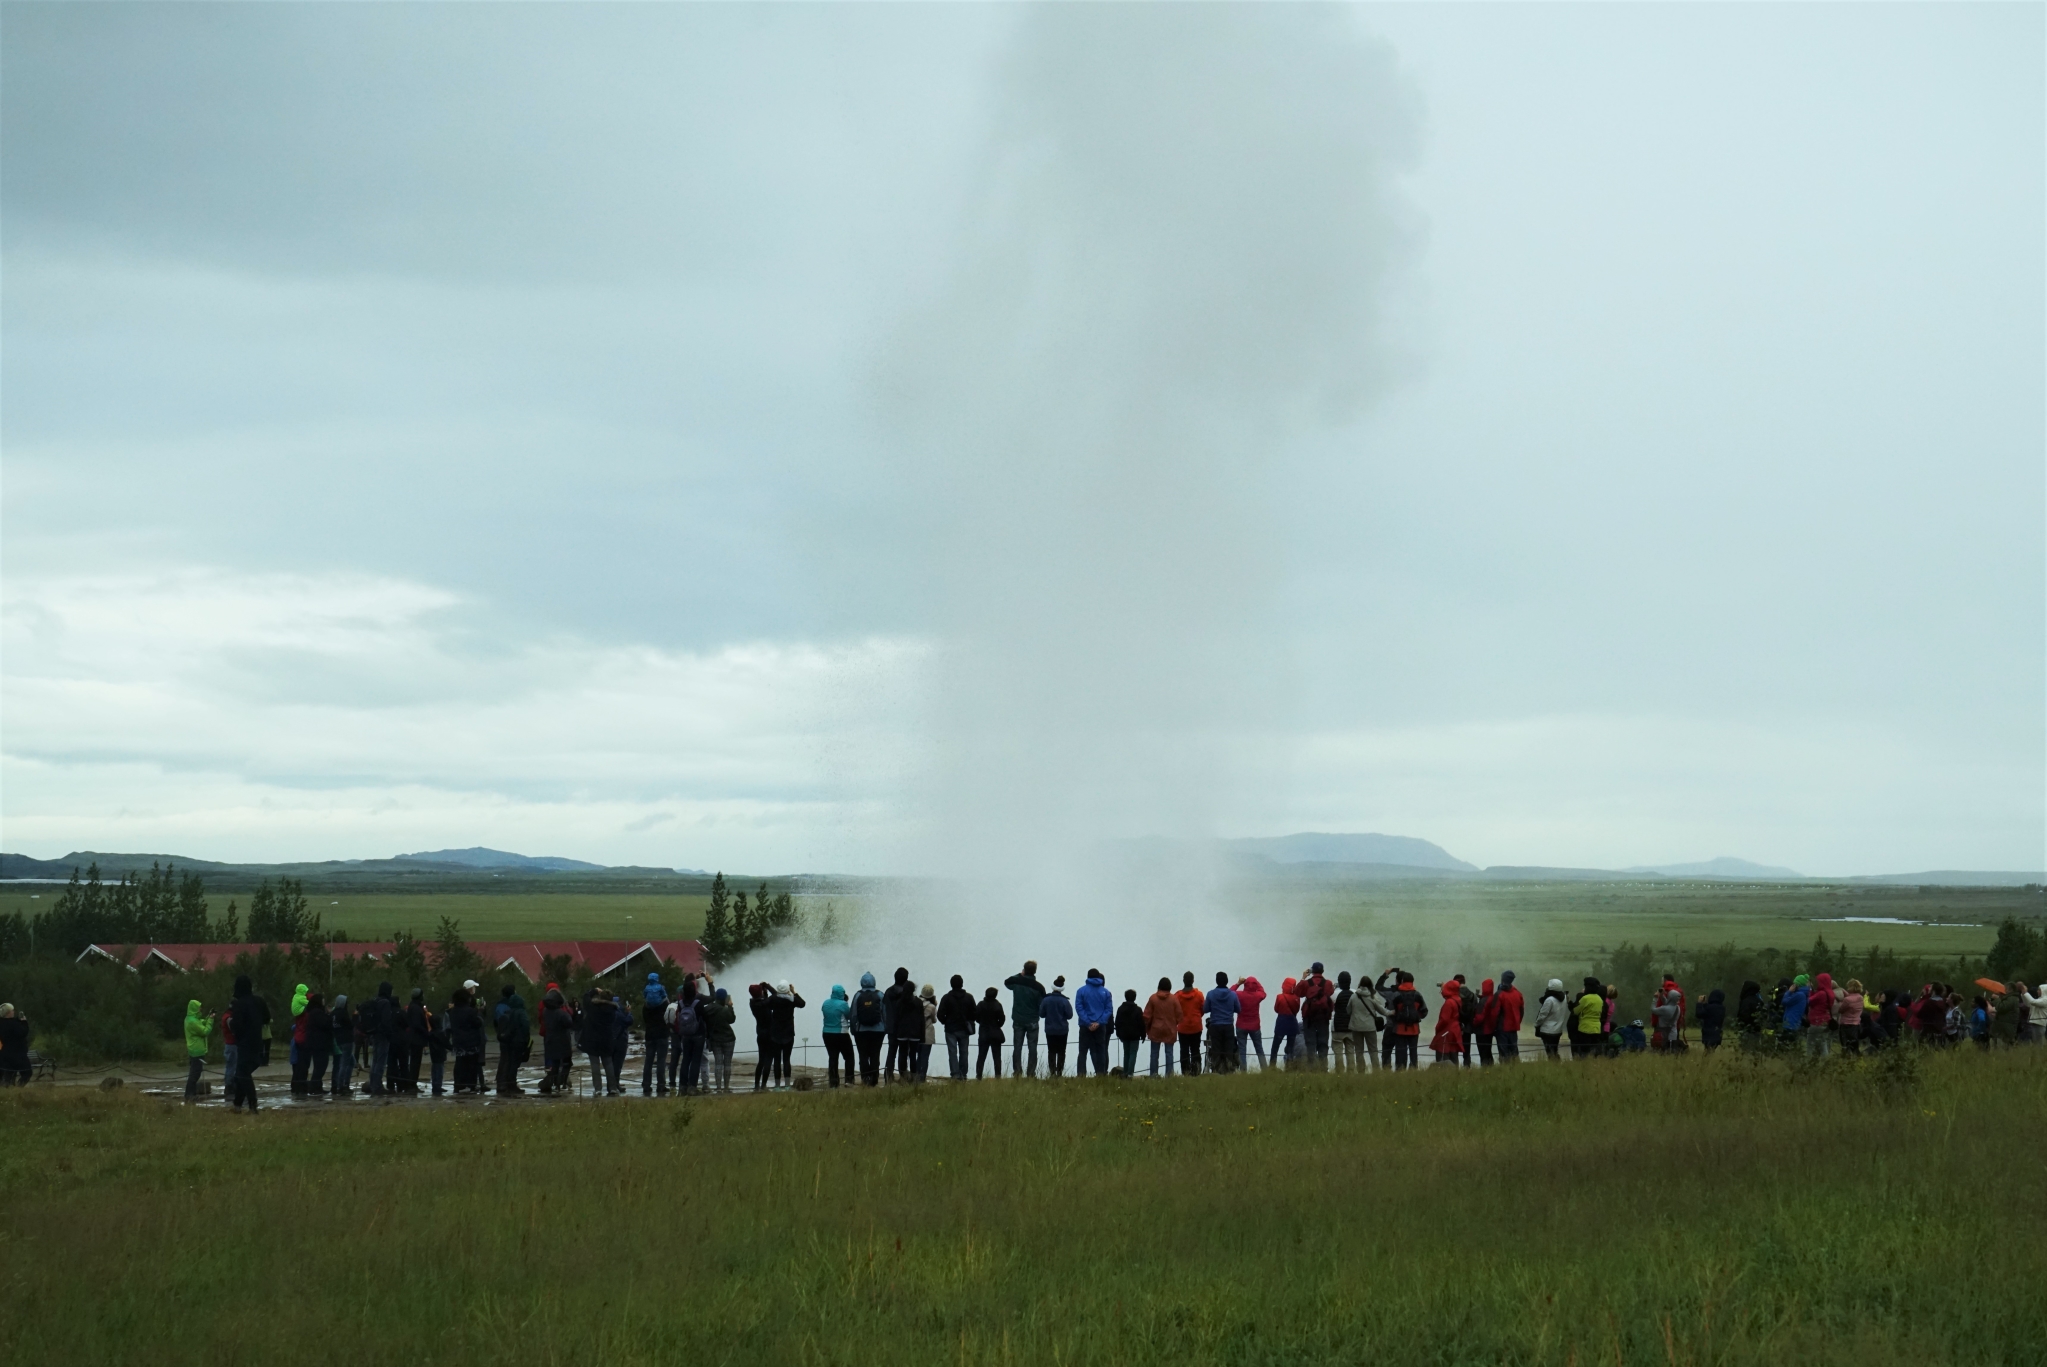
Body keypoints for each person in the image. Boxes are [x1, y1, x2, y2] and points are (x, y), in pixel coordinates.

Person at [227, 975, 270, 1111]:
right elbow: (267, 1019)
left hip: (244, 1043)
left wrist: (230, 1023)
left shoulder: (239, 1004)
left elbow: (237, 1025)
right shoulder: (259, 1001)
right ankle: (237, 1105)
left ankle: (252, 1103)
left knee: (242, 1074)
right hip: (258, 1042)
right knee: (242, 1073)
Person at [1005, 961, 1046, 1079]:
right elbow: (1042, 1004)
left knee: (1017, 1047)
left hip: (1018, 1019)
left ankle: (1017, 1072)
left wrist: (1019, 975)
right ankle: (1031, 1073)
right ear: (1035, 971)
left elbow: (1007, 982)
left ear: (1024, 970)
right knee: (1032, 1048)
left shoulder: (1017, 982)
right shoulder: (1039, 987)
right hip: (1032, 1020)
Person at [669, 975, 707, 1093]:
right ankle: (692, 1087)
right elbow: (704, 1017)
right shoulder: (698, 1003)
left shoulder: (680, 1004)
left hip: (685, 1035)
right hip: (698, 1034)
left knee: (685, 1060)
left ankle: (682, 1086)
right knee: (695, 1060)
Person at [850, 972, 887, 1085]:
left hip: (861, 1031)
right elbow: (885, 1013)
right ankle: (874, 1080)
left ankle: (865, 1079)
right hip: (878, 1031)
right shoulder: (880, 995)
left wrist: (853, 1029)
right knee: (875, 1055)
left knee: (863, 1055)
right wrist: (885, 1028)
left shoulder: (857, 995)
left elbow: (853, 1014)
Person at [493, 983, 530, 1096]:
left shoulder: (504, 1008)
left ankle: (504, 1083)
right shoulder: (516, 1010)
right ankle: (506, 1084)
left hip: (507, 1038)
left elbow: (497, 1022)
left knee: (507, 1062)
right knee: (509, 1062)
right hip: (514, 1040)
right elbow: (524, 1026)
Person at [937, 975, 977, 1080]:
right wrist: (968, 1021)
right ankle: (963, 1074)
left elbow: (940, 1014)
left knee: (952, 1053)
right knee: (964, 1052)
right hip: (964, 1029)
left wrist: (946, 1022)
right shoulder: (969, 997)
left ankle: (955, 1074)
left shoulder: (946, 998)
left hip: (950, 1029)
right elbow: (974, 1013)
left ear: (951, 984)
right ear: (962, 984)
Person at [884, 968, 919, 1084]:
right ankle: (903, 1075)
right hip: (903, 1027)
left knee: (891, 1052)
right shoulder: (906, 994)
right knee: (903, 1053)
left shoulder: (888, 992)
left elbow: (883, 1009)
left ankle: (888, 1076)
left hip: (890, 1026)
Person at [581, 988, 619, 1097]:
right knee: (608, 1063)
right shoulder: (613, 1010)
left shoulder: (593, 1008)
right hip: (607, 1039)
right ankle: (612, 1088)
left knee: (595, 1064)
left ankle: (598, 1089)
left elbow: (585, 998)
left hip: (593, 1039)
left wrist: (593, 991)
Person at [765, 981, 803, 1088]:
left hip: (775, 1034)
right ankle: (787, 1085)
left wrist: (767, 987)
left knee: (777, 1060)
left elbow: (771, 998)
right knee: (786, 1059)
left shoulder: (774, 999)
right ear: (787, 990)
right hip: (788, 1034)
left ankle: (777, 1086)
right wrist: (793, 992)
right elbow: (802, 1003)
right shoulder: (791, 1000)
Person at [1075, 970, 1113, 1078]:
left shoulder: (1081, 991)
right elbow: (1108, 1010)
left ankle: (1081, 1074)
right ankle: (1101, 1074)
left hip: (1084, 1025)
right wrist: (1099, 1022)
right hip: (1101, 1026)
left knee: (1083, 1051)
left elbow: (1079, 1008)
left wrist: (1088, 1022)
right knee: (1101, 1050)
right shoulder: (1106, 992)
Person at [1386, 972, 1426, 1071]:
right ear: (1412, 982)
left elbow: (1390, 1011)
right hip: (1414, 1029)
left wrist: (1395, 1020)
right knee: (1413, 1052)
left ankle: (1400, 1070)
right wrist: (1416, 1017)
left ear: (1402, 981)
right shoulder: (1417, 995)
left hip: (1399, 1029)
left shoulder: (1396, 994)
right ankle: (1413, 1070)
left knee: (1400, 1052)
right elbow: (1424, 1011)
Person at [1297, 963, 1333, 1070]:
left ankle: (1312, 1068)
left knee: (1310, 1044)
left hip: (1309, 1017)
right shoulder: (1328, 983)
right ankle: (1323, 1068)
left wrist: (1303, 978)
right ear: (1322, 971)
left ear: (1312, 971)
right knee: (1323, 1043)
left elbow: (1298, 992)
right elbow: (1330, 993)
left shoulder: (1307, 983)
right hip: (1323, 1017)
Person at [640, 972, 671, 1097]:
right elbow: (669, 1018)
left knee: (648, 1060)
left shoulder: (645, 1006)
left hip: (650, 1035)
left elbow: (645, 1021)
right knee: (661, 1061)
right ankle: (661, 1085)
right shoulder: (664, 1005)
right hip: (662, 1034)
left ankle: (646, 1085)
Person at [448, 988, 485, 1094]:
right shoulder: (470, 1011)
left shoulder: (453, 1011)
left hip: (458, 1041)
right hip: (471, 1042)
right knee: (471, 1065)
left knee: (459, 1063)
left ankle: (458, 1084)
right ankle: (471, 1085)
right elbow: (477, 1023)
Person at [539, 988, 575, 1095]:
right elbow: (569, 1022)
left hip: (550, 1040)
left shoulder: (546, 1011)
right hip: (563, 1041)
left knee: (554, 1064)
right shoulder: (560, 1013)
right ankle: (561, 1082)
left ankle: (553, 1083)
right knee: (567, 1063)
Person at [703, 986, 738, 1092]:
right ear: (724, 998)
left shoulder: (708, 1008)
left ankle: (718, 1088)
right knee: (727, 1063)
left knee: (718, 1063)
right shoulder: (725, 1010)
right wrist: (730, 1006)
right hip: (729, 1039)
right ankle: (726, 1087)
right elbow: (732, 1020)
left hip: (715, 1040)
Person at [1203, 972, 1238, 1075]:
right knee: (1228, 1049)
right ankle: (1228, 1071)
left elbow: (1205, 1009)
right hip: (1228, 1026)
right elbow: (1238, 1009)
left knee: (1216, 1049)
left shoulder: (1210, 994)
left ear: (1216, 981)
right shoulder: (1232, 994)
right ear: (1227, 981)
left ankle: (1216, 1071)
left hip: (1215, 1025)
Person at [820, 983, 855, 1087]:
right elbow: (849, 1016)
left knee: (833, 1057)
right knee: (849, 1057)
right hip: (841, 1033)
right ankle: (849, 1081)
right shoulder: (843, 1004)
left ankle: (833, 1082)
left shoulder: (825, 1003)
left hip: (826, 1033)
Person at [1143, 978, 1178, 1078]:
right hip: (1170, 1029)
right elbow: (1179, 1015)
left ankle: (1153, 1075)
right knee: (1169, 1053)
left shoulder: (1153, 998)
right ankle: (1169, 1075)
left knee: (1154, 1053)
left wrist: (1147, 1026)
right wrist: (1174, 1023)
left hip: (1155, 1029)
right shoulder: (1174, 999)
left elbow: (1146, 1015)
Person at [1039, 976, 1073, 1077]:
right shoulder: (1065, 1001)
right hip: (1062, 1030)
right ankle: (1060, 1072)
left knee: (1051, 1051)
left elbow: (1041, 1014)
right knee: (1062, 1051)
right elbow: (1070, 1015)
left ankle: (1052, 1072)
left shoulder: (1046, 1000)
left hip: (1050, 1030)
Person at [1233, 975, 1268, 1071]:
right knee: (1259, 1049)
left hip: (1241, 1025)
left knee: (1242, 1050)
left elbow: (1229, 992)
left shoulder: (1239, 995)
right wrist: (1256, 983)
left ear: (1245, 985)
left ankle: (1243, 1071)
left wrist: (1238, 983)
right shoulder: (1258, 996)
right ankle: (1264, 1069)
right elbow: (1263, 992)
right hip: (1255, 1026)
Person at [1174, 972, 1206, 1076]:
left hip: (1183, 1027)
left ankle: (1185, 1072)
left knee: (1184, 1050)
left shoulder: (1177, 996)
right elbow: (1203, 1009)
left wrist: (1179, 1020)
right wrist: (1197, 1017)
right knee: (1195, 1050)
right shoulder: (1199, 994)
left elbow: (1174, 1011)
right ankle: (1196, 1072)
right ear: (1193, 980)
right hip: (1196, 1026)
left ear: (1183, 980)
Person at [303, 991, 334, 1097]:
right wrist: (329, 1014)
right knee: (320, 1066)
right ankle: (313, 1087)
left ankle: (317, 1087)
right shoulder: (317, 1013)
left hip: (317, 1043)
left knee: (319, 1066)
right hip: (319, 1043)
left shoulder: (314, 1012)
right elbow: (326, 1024)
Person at [183, 998, 214, 1099]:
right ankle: (189, 1094)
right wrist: (211, 1020)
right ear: (195, 1009)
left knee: (196, 1072)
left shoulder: (192, 1019)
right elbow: (205, 1031)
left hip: (195, 1050)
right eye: (199, 1008)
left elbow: (201, 1023)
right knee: (195, 1074)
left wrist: (208, 1017)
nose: (200, 1009)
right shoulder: (192, 1021)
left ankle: (191, 1093)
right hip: (196, 1051)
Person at [974, 986, 1006, 1079]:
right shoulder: (998, 1005)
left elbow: (976, 1017)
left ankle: (979, 1076)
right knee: (997, 1057)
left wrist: (982, 1023)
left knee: (981, 1056)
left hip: (984, 1033)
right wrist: (997, 1025)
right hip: (995, 1033)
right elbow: (1002, 1019)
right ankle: (998, 1076)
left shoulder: (980, 1004)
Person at [1569, 977, 1604, 1062]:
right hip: (1596, 1028)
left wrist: (1569, 1003)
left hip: (1585, 1028)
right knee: (1594, 1052)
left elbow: (1576, 1011)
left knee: (1584, 1052)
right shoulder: (1599, 999)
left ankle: (1584, 1066)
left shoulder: (1585, 998)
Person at [1492, 971, 1524, 1063]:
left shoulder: (1499, 994)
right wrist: (1517, 1022)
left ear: (1502, 979)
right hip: (1514, 1028)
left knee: (1503, 1053)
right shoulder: (1518, 994)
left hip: (1502, 1028)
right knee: (1514, 1052)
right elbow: (1521, 1011)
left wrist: (1494, 1027)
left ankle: (1505, 1072)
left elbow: (1494, 1013)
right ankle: (1515, 1070)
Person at [1270, 977, 1301, 1069]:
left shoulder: (1280, 997)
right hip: (1292, 1023)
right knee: (1290, 1047)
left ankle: (1272, 1066)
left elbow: (1276, 1009)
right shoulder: (1297, 997)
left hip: (1281, 1023)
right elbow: (1296, 1010)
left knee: (1275, 1046)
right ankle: (1289, 1067)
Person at [1430, 981, 1464, 1066]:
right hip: (1455, 1030)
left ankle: (1443, 1074)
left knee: (1443, 1055)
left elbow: (1444, 1020)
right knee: (1453, 1054)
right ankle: (1455, 1073)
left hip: (1446, 1032)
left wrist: (1437, 1028)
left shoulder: (1449, 1003)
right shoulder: (1458, 999)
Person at [1533, 979, 1568, 1059]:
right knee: (1554, 1051)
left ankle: (1554, 1066)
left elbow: (1542, 1015)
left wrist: (1537, 1024)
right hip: (1558, 1030)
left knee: (1550, 1053)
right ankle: (1556, 1066)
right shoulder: (1564, 998)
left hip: (1547, 1030)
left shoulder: (1549, 1000)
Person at [1114, 989, 1146, 1076]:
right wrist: (1143, 1034)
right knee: (1133, 1053)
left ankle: (1125, 1072)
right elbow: (1141, 1024)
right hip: (1135, 1035)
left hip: (1124, 1035)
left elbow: (1117, 1022)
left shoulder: (1120, 1009)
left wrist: (1118, 1033)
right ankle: (1130, 1073)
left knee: (1126, 1053)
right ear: (1135, 998)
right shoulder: (1138, 1010)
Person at [289, 982, 313, 1096]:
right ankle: (301, 1087)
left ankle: (296, 1086)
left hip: (297, 1039)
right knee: (303, 1065)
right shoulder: (306, 1015)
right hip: (304, 1040)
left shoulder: (295, 1000)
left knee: (298, 1065)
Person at [330, 993, 355, 1097]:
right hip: (347, 1041)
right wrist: (355, 1017)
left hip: (339, 1040)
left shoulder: (333, 1014)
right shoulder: (343, 1013)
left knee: (350, 1062)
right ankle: (342, 1085)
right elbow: (350, 1025)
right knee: (345, 1064)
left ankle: (344, 1084)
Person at [1804, 972, 1835, 1058]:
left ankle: (1808, 1062)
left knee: (1810, 1044)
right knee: (1823, 1043)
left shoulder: (1821, 994)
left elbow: (1808, 1001)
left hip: (1816, 1021)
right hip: (1825, 1021)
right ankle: (1826, 1063)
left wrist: (1809, 990)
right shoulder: (1830, 993)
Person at [0, 1004, 32, 1087]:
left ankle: (8, 1091)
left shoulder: (2, 1023)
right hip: (18, 1054)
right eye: (12, 1010)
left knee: (9, 1075)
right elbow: (23, 1032)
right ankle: (19, 1088)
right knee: (27, 1072)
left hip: (5, 1053)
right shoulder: (13, 1024)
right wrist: (24, 1022)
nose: (13, 1012)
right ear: (8, 1013)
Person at [1781, 975, 1811, 1053]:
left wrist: (1789, 992)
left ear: (1797, 985)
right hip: (1794, 1023)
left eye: (1794, 984)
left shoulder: (1799, 995)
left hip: (1790, 1023)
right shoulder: (1803, 994)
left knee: (1784, 1048)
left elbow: (1785, 1002)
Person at [1836, 979, 1866, 1057]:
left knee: (1845, 1045)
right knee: (1855, 1045)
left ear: (1851, 987)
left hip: (1845, 1024)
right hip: (1856, 1024)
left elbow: (1841, 1010)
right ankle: (1858, 1059)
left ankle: (1845, 1060)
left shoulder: (1847, 1000)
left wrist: (1840, 1001)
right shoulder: (1860, 998)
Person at [1473, 979, 1499, 1067]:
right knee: (1488, 1052)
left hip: (1482, 1031)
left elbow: (1480, 1017)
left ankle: (1485, 1070)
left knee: (1483, 1053)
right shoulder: (1493, 998)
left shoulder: (1483, 1001)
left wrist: (1473, 1023)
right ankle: (1490, 1068)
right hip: (1490, 1030)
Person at [1735, 981, 1765, 1049]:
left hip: (1747, 1030)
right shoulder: (1759, 1001)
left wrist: (1741, 1024)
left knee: (1746, 1049)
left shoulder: (1746, 1001)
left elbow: (1744, 1015)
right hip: (1757, 1030)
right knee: (1755, 1049)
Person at [917, 984, 938, 1080]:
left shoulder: (915, 1003)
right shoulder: (932, 1007)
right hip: (928, 1033)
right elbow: (934, 1020)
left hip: (916, 1033)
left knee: (917, 1056)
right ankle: (922, 1076)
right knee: (925, 1057)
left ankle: (915, 1074)